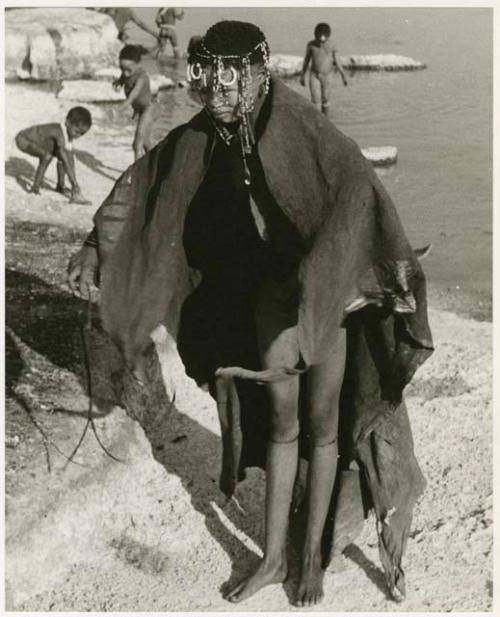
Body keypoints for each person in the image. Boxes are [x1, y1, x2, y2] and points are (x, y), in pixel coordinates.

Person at [67, 21, 433, 607]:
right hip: (269, 302)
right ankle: (271, 558)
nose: (215, 91)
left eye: (228, 78)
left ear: (258, 74)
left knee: (323, 428)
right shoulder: (205, 132)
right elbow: (145, 182)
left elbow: (359, 190)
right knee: (285, 426)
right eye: (207, 78)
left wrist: (379, 270)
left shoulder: (298, 123)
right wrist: (94, 245)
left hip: (325, 300)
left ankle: (310, 558)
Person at [15, 106, 92, 203]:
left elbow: (69, 160)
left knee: (66, 156)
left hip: (38, 142)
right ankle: (35, 188)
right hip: (23, 139)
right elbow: (65, 159)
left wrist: (74, 183)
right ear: (67, 123)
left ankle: (60, 186)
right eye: (77, 131)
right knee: (47, 157)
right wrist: (74, 184)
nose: (78, 136)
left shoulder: (68, 134)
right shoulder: (59, 132)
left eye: (82, 134)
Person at [113, 45, 158, 160]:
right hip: (140, 110)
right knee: (146, 142)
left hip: (150, 108)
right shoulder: (127, 73)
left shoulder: (141, 77)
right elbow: (124, 78)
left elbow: (134, 93)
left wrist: (125, 104)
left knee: (137, 143)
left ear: (139, 64)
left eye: (128, 70)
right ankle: (156, 163)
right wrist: (119, 81)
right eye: (122, 69)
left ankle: (137, 172)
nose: (125, 73)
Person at [300, 22, 348, 115]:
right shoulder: (311, 45)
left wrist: (343, 75)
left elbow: (337, 60)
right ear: (315, 35)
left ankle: (326, 119)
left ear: (328, 36)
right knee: (315, 99)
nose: (321, 40)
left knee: (325, 98)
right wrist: (302, 75)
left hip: (328, 75)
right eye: (319, 38)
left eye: (324, 38)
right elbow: (306, 60)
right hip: (314, 75)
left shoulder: (332, 45)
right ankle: (317, 120)